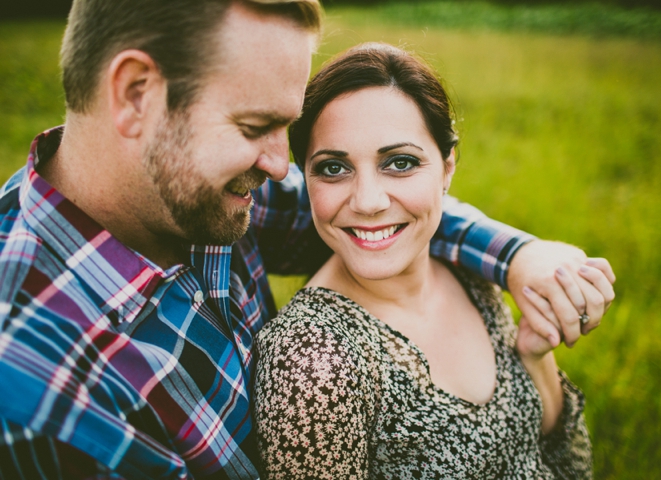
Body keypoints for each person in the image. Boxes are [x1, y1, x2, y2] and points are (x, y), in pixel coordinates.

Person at [0, 1, 613, 478]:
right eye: (256, 126)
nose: (278, 166)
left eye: (287, 129)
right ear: (137, 95)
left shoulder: (200, 192)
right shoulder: (40, 397)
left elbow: (382, 217)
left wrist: (517, 257)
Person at [254, 43, 614, 479]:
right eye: (333, 168)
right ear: (304, 178)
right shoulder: (314, 361)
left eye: (400, 163)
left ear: (447, 169)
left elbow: (558, 456)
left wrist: (534, 357)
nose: (368, 202)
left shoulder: (467, 273)